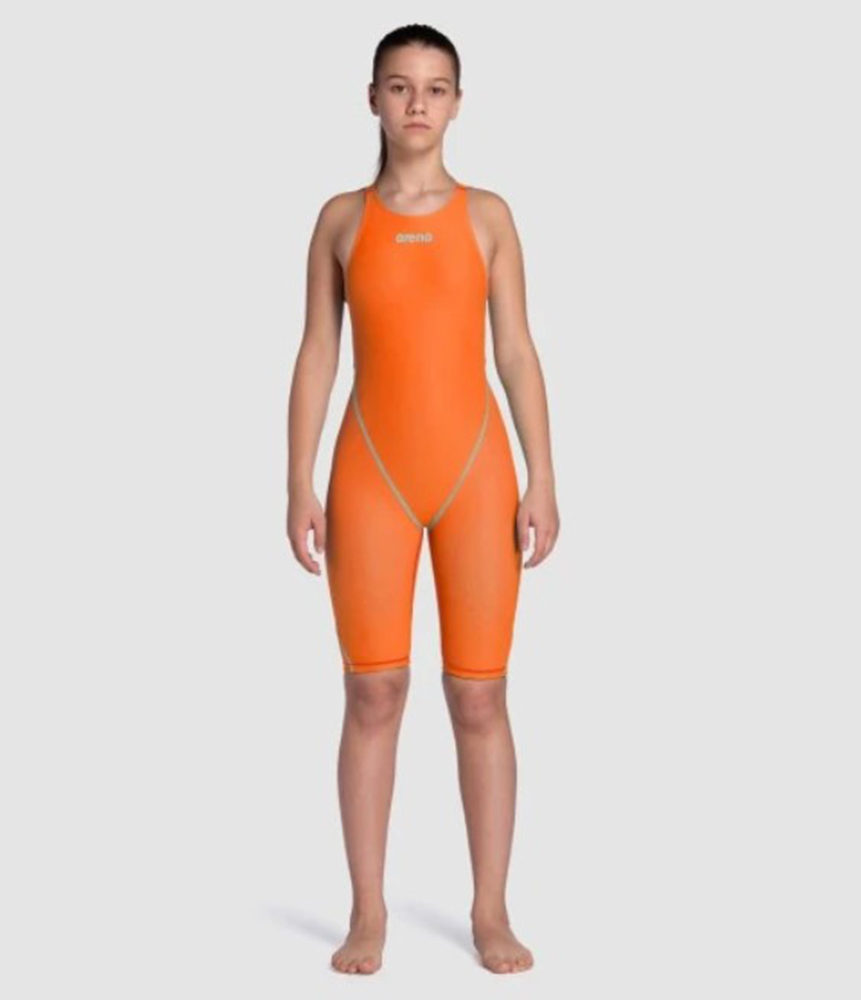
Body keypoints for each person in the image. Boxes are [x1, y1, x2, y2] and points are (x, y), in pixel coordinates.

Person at [285, 24, 559, 975]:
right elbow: (318, 352)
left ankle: (491, 909)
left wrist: (542, 474)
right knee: (373, 691)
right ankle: (368, 912)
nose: (417, 103)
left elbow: (515, 351)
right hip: (371, 475)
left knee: (480, 697)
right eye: (399, 86)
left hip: (475, 473)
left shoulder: (488, 216)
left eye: (435, 88)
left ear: (457, 104)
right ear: (372, 99)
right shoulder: (340, 220)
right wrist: (297, 479)